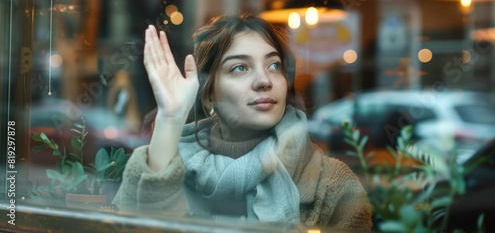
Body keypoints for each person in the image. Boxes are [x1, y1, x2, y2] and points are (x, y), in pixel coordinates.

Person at [113, 14, 372, 231]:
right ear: (209, 92)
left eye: (274, 65)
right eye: (240, 68)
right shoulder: (167, 162)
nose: (264, 80)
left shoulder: (334, 186)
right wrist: (170, 118)